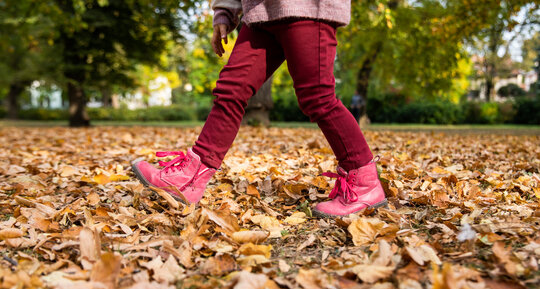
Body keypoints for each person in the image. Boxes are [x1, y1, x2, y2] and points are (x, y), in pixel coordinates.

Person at [132, 0, 387, 217]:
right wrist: (225, 10)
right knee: (230, 90)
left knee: (317, 97)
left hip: (307, 7)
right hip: (261, 12)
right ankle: (189, 180)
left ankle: (364, 183)